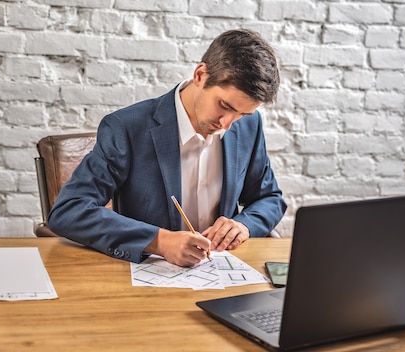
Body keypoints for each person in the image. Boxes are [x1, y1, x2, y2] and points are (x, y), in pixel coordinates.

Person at [47, 29, 286, 267]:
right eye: (224, 105)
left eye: (242, 114)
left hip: (221, 273)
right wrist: (158, 241)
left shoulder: (249, 126)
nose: (226, 124)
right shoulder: (125, 128)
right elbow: (69, 210)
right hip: (148, 276)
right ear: (201, 75)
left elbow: (269, 198)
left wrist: (244, 225)